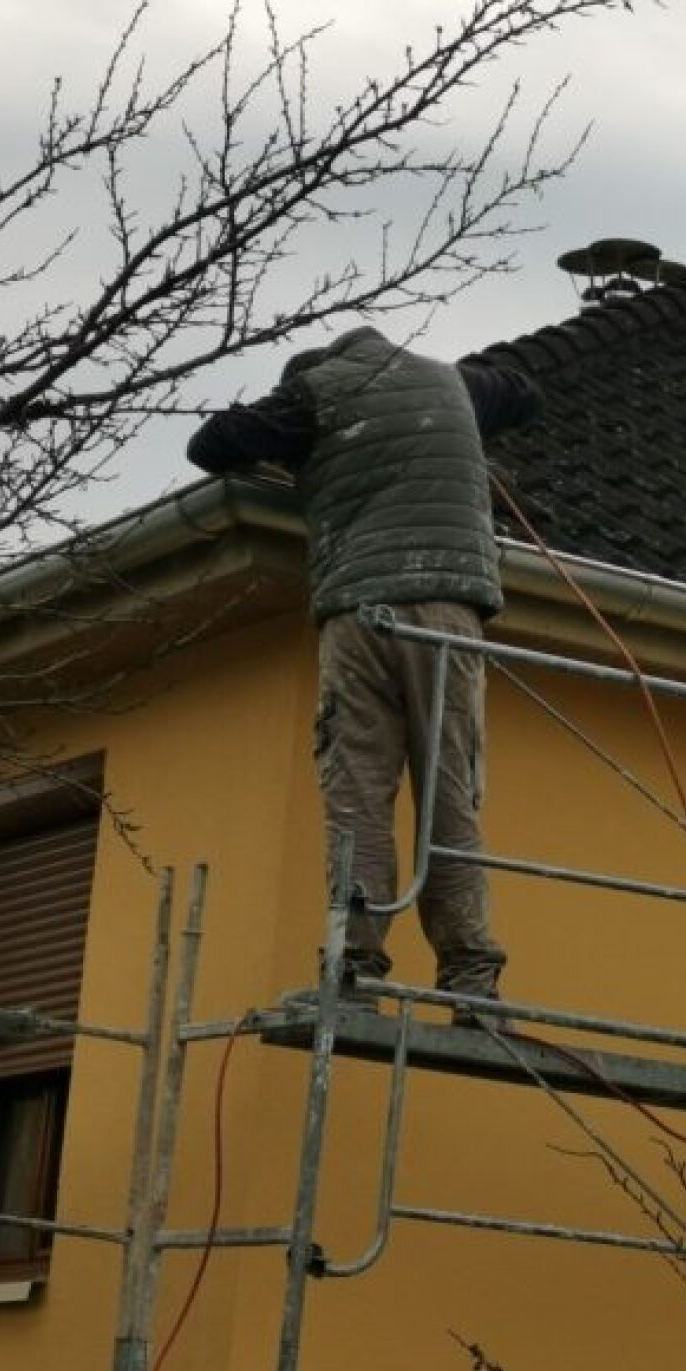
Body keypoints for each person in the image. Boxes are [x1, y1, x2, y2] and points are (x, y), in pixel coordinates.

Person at [188, 326, 541, 1016]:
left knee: (357, 791)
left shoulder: (312, 392)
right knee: (450, 793)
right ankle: (471, 978)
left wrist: (295, 454)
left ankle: (354, 970)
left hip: (360, 612)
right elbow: (525, 391)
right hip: (450, 612)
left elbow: (212, 444)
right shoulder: (455, 382)